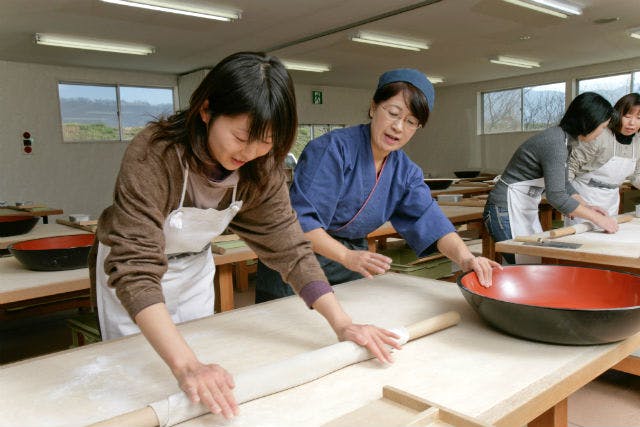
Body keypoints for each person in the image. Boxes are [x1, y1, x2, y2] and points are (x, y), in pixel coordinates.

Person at [89, 52, 400, 420]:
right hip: (130, 277)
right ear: (206, 111)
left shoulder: (260, 169)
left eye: (265, 142)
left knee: (195, 396)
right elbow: (136, 266)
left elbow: (290, 248)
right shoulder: (156, 155)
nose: (250, 153)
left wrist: (343, 323)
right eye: (240, 137)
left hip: (193, 272)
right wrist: (187, 365)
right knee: (142, 385)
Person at [256, 68, 501, 303]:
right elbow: (302, 222)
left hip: (351, 259)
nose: (398, 127)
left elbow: (430, 219)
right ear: (374, 107)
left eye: (411, 122)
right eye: (393, 113)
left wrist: (466, 258)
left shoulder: (405, 171)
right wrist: (347, 256)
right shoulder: (332, 150)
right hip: (299, 258)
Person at [483, 92, 620, 264]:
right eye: (602, 127)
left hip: (522, 206)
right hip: (504, 208)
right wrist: (599, 219)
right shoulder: (555, 143)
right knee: (523, 264)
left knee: (533, 263)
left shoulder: (565, 141)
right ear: (589, 121)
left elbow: (563, 183)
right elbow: (556, 196)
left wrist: (587, 207)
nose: (601, 133)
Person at [565, 92, 640, 225]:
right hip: (585, 197)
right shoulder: (600, 135)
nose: (632, 123)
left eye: (639, 118)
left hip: (611, 200)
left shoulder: (638, 142)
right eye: (627, 116)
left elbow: (637, 175)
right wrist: (568, 201)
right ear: (617, 115)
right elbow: (570, 167)